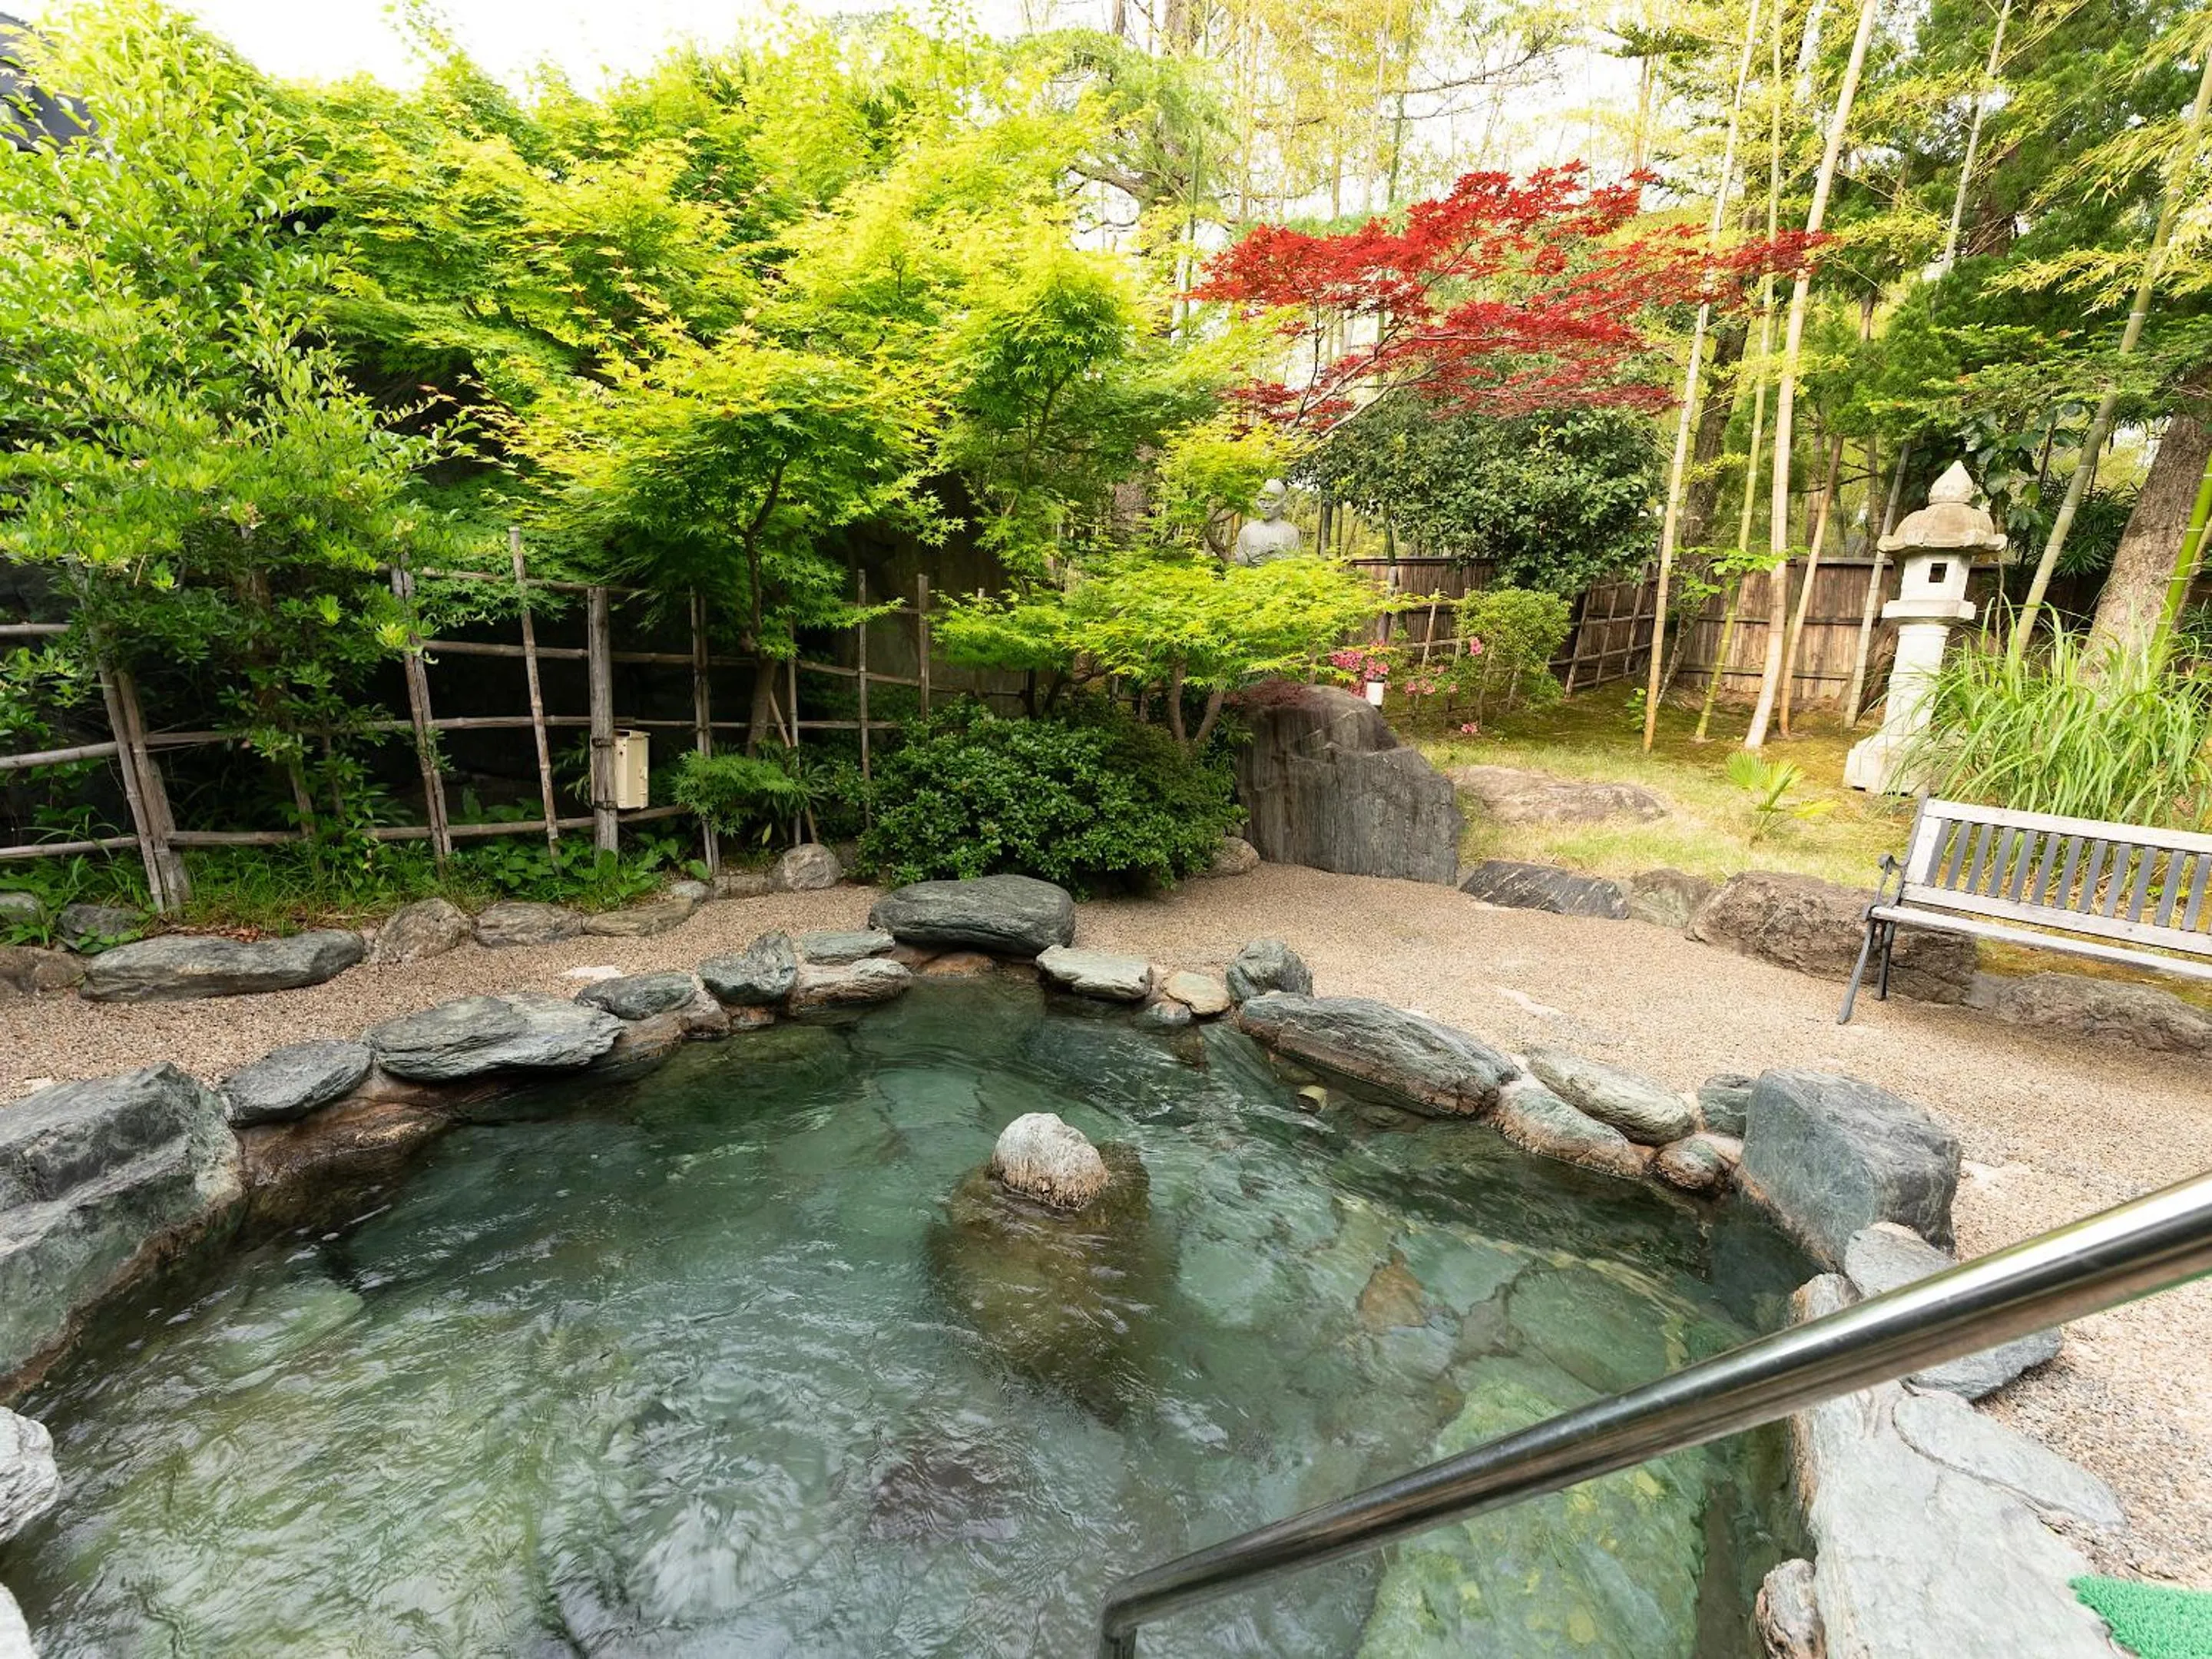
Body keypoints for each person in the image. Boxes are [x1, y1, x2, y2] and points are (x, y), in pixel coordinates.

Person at [1231, 478, 1303, 565]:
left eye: (1272, 501)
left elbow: (1294, 565)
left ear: (1284, 503)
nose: (1266, 506)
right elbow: (1239, 566)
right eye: (1262, 500)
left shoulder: (1290, 532)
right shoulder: (1246, 532)